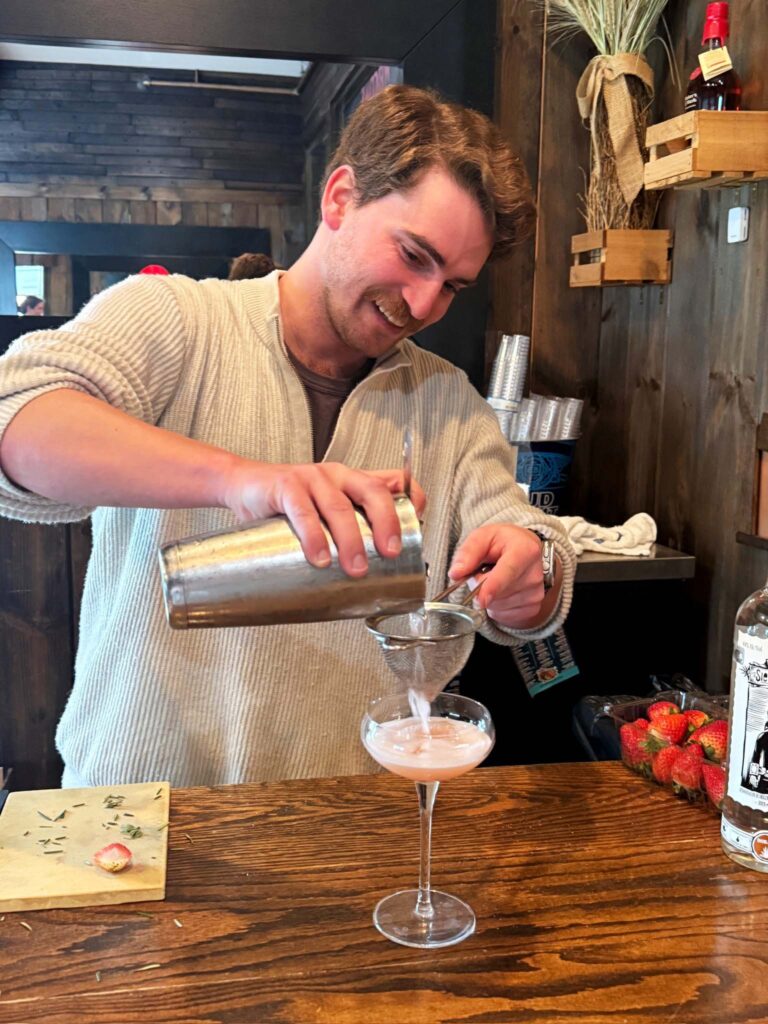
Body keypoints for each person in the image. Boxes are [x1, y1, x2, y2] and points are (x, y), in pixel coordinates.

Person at [0, 85, 577, 788]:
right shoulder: (177, 319)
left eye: (453, 285)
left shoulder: (447, 402)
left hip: (341, 818)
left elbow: (519, 536)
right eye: (413, 255)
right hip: (140, 810)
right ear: (340, 198)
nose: (425, 306)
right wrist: (245, 480)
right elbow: (19, 416)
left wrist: (532, 576)